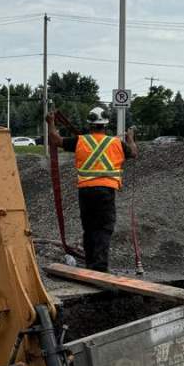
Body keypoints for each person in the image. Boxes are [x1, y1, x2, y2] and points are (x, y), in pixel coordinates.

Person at [46, 107, 138, 273]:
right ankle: (99, 267)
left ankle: (91, 264)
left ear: (89, 124)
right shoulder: (116, 143)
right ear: (106, 125)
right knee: (103, 228)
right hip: (106, 191)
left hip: (86, 191)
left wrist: (51, 122)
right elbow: (133, 153)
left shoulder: (81, 141)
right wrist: (130, 137)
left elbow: (55, 140)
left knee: (89, 228)